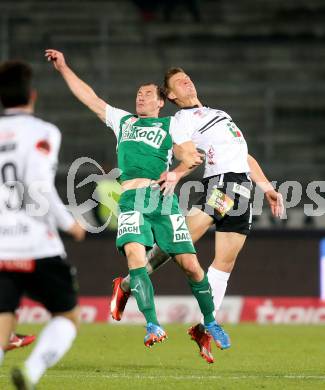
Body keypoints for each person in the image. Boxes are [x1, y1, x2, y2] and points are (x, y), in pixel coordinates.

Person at [45, 49, 230, 351]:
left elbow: (188, 155)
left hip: (163, 199)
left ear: (160, 102)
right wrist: (64, 68)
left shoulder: (172, 126)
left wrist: (179, 169)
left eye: (146, 94)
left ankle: (210, 320)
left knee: (191, 266)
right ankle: (152, 324)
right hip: (131, 198)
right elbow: (90, 98)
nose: (140, 98)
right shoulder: (124, 122)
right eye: (138, 94)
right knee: (135, 257)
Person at [110, 67, 284, 363]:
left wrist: (267, 187)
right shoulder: (180, 120)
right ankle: (128, 283)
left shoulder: (220, 113)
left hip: (242, 186)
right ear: (172, 95)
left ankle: (204, 327)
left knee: (224, 263)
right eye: (179, 82)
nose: (186, 80)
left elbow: (244, 154)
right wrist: (176, 174)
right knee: (185, 239)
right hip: (221, 184)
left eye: (187, 76)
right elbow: (187, 154)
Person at [0, 60, 85, 389]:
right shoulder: (43, 132)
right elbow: (38, 186)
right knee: (67, 316)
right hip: (36, 243)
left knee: (3, 321)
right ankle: (31, 372)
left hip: (1, 246)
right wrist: (70, 224)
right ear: (32, 95)